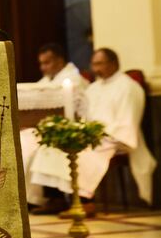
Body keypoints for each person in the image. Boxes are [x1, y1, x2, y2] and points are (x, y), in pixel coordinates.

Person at [29, 48, 157, 215]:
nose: (95, 68)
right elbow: (84, 114)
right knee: (52, 148)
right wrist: (82, 131)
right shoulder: (94, 88)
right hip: (92, 134)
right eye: (94, 64)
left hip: (116, 138)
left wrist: (98, 135)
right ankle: (58, 199)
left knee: (83, 152)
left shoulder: (128, 87)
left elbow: (128, 120)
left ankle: (85, 201)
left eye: (99, 64)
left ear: (114, 63)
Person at [19, 43, 90, 212]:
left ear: (59, 61)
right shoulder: (47, 80)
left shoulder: (73, 78)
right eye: (41, 63)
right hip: (46, 127)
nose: (43, 68)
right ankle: (29, 198)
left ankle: (51, 198)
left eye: (47, 62)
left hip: (70, 126)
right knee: (22, 142)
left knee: (42, 147)